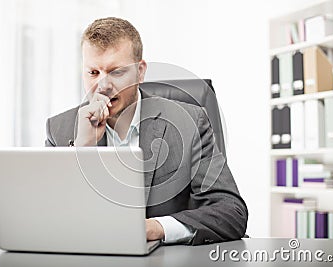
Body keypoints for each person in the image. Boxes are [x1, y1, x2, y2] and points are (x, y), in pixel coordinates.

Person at [45, 17, 248, 245]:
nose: (102, 86)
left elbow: (231, 212)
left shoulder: (189, 123)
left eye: (116, 72)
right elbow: (48, 218)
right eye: (93, 72)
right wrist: (83, 149)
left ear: (140, 72)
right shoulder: (59, 130)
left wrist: (157, 228)